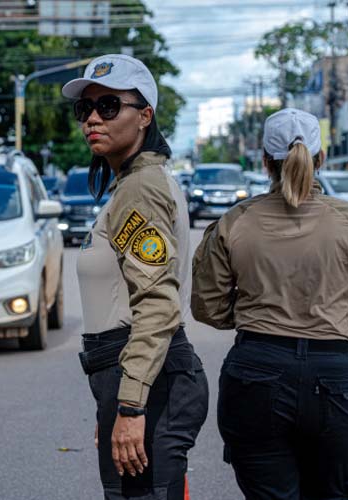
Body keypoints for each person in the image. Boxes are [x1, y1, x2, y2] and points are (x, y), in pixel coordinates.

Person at [192, 108, 348, 499]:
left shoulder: (235, 221)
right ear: (320, 158)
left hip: (255, 375)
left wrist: (261, 314)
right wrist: (326, 312)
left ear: (264, 161)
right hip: (335, 380)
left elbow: (209, 308)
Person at [64, 55, 209, 499]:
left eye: (109, 106)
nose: (92, 118)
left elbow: (157, 304)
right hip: (137, 376)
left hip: (153, 379)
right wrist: (114, 404)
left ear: (144, 115)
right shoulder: (132, 183)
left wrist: (130, 404)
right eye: (85, 109)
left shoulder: (140, 188)